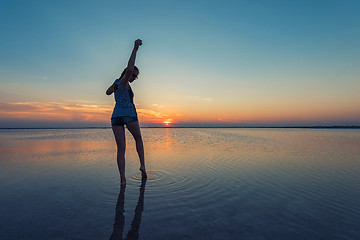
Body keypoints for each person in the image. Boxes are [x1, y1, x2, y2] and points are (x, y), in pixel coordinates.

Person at [106, 39, 147, 185]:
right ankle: (142, 165)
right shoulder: (124, 81)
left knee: (121, 148)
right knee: (138, 140)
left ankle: (122, 178)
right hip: (129, 115)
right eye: (133, 75)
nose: (134, 78)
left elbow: (108, 92)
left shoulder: (117, 82)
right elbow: (129, 68)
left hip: (115, 117)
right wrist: (135, 48)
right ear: (128, 74)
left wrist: (115, 84)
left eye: (136, 76)